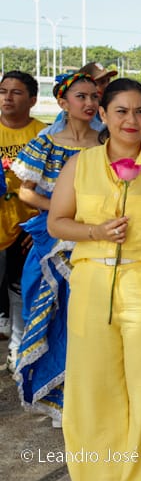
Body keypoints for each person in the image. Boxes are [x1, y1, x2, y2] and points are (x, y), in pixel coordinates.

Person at [48, 78, 141, 481]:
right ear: (104, 115)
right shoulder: (80, 165)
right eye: (122, 111)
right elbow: (57, 221)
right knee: (94, 387)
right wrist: (96, 234)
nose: (132, 120)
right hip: (93, 286)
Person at [11, 72, 102, 427]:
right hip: (54, 239)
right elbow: (26, 192)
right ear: (63, 103)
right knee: (55, 316)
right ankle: (59, 396)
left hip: (95, 238)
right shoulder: (46, 143)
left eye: (94, 96)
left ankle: (89, 395)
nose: (90, 103)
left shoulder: (105, 142)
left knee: (90, 318)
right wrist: (64, 212)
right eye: (81, 97)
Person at [0, 71, 45, 370]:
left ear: (32, 100)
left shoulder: (43, 134)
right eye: (3, 91)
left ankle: (17, 346)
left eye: (16, 92)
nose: (7, 97)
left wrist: (42, 224)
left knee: (19, 288)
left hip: (26, 226)